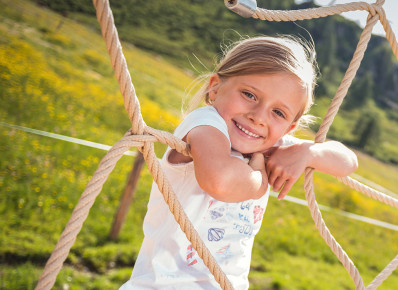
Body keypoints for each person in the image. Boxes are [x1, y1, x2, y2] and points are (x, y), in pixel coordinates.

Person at [121, 36, 358, 289]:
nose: (258, 117)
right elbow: (220, 182)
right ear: (214, 88)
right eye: (249, 95)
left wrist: (309, 153)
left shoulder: (270, 145)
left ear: (290, 127)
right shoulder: (205, 124)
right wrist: (259, 178)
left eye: (278, 112)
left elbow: (348, 162)